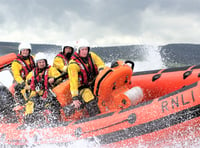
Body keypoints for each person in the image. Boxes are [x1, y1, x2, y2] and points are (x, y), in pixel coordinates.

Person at [66, 39, 105, 117]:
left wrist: (101, 70)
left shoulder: (92, 55)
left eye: (86, 49)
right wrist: (75, 98)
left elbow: (100, 63)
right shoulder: (73, 64)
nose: (84, 51)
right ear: (78, 50)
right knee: (89, 98)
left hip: (94, 82)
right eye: (82, 49)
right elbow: (73, 82)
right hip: (82, 88)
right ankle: (95, 117)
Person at [24, 52, 62, 126]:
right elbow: (26, 86)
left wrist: (53, 79)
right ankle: (29, 124)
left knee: (51, 106)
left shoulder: (51, 70)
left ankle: (55, 123)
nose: (41, 64)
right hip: (36, 95)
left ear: (46, 62)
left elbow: (59, 78)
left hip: (48, 93)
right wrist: (31, 85)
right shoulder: (32, 74)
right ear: (37, 63)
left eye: (43, 62)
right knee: (30, 105)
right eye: (40, 62)